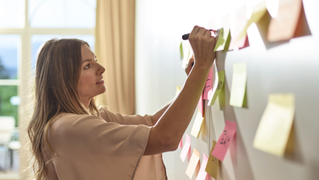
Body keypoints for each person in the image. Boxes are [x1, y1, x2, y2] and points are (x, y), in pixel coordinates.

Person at [27, 25, 216, 180]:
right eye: (87, 66)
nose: (101, 69)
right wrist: (201, 66)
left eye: (96, 61)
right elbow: (164, 137)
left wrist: (194, 81)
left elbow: (153, 122)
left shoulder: (95, 117)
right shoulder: (68, 127)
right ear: (64, 79)